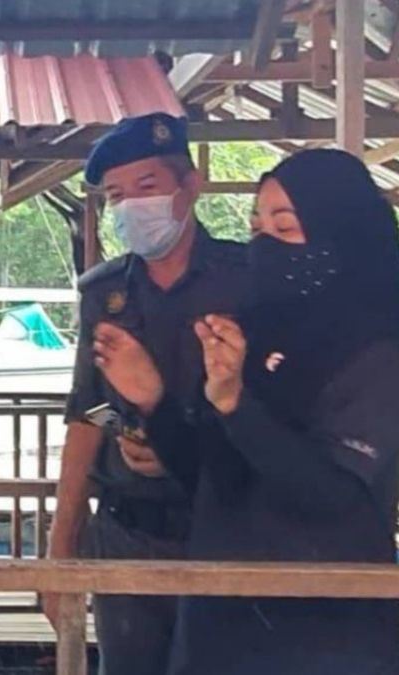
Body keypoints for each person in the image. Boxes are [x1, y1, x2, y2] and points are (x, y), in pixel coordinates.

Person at [94, 149, 399, 674]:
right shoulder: (252, 336)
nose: (265, 245)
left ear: (342, 233)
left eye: (286, 227)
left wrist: (237, 405)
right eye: (257, 227)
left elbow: (332, 496)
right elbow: (213, 479)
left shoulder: (377, 352)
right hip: (222, 619)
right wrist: (156, 402)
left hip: (325, 630)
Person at [43, 113, 249, 675]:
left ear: (190, 187)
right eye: (116, 195)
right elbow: (86, 415)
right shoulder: (103, 292)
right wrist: (60, 551)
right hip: (127, 532)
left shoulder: (245, 278)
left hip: (223, 532)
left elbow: (268, 412)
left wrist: (177, 442)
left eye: (148, 187)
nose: (132, 205)